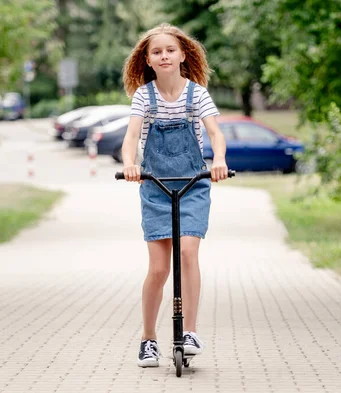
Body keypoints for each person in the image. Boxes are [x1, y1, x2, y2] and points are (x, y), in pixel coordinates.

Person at [120, 23, 229, 368]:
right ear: (148, 60)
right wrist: (129, 164)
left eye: (170, 50)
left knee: (189, 252)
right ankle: (148, 339)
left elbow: (215, 132)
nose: (164, 55)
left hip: (192, 183)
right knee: (158, 269)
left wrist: (220, 160)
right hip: (155, 187)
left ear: (183, 54)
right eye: (156, 52)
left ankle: (191, 332)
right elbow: (132, 135)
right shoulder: (144, 96)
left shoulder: (197, 94)